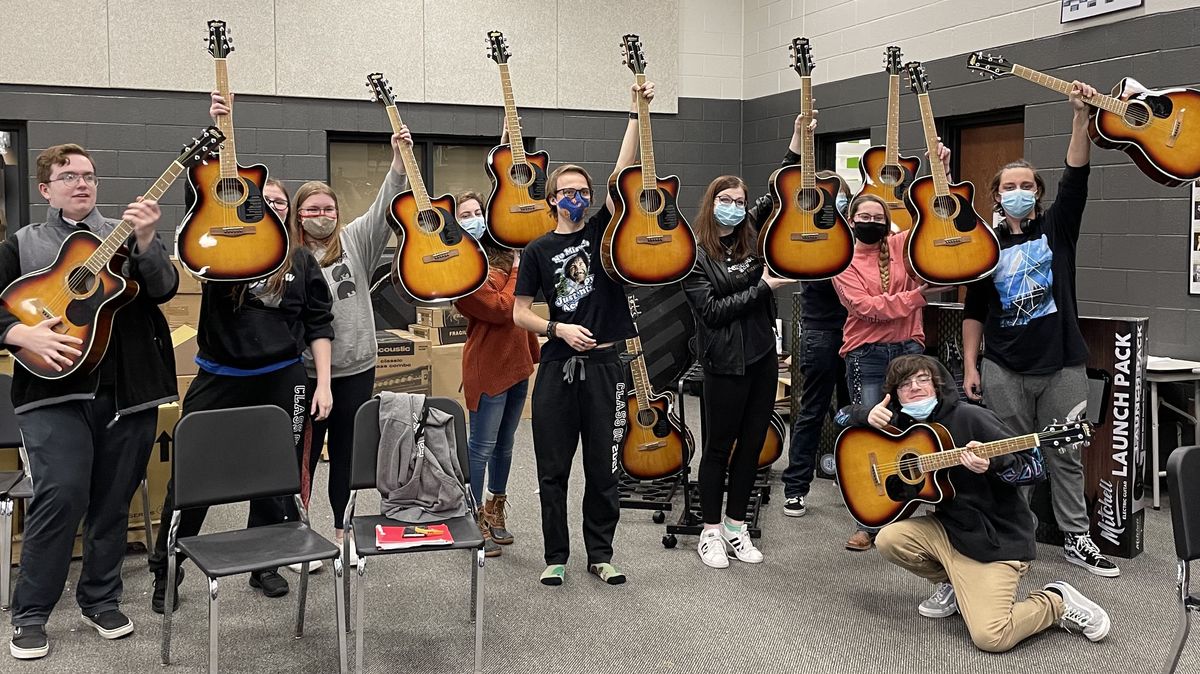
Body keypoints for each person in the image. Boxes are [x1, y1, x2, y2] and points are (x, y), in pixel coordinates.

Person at [148, 98, 335, 614]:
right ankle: (168, 573)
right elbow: (202, 192)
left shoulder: (301, 261)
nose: (271, 207)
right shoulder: (221, 251)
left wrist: (322, 383)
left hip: (284, 379)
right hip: (220, 377)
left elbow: (319, 324)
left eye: (279, 203)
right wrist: (218, 128)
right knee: (196, 477)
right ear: (244, 205)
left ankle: (266, 564)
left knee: (275, 477)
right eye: (262, 201)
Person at [3, 144, 179, 659]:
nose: (81, 183)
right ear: (45, 189)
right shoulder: (24, 245)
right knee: (61, 494)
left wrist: (147, 240)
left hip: (129, 392)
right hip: (52, 392)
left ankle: (101, 598)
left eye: (89, 176)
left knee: (112, 500)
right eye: (68, 176)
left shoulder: (124, 236)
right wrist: (19, 335)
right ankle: (32, 611)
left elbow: (164, 288)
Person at [841, 354, 1111, 652]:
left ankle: (1056, 601)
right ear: (896, 394)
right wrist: (862, 415)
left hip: (996, 538)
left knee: (991, 637)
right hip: (953, 530)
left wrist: (995, 463)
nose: (915, 388)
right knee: (889, 539)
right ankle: (955, 586)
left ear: (938, 384)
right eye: (905, 384)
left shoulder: (971, 417)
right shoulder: (903, 424)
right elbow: (840, 416)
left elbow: (1034, 469)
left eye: (922, 380)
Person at [961, 80, 1118, 578]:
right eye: (1010, 187)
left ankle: (1076, 538)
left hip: (1062, 365)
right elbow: (975, 309)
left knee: (1066, 454)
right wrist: (970, 364)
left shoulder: (1058, 229)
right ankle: (1015, 537)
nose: (1019, 193)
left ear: (1039, 194)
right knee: (1013, 460)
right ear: (996, 196)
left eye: (1027, 186)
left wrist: (1079, 117)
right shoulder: (983, 247)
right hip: (1003, 367)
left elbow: (1077, 173)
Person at [511, 80, 656, 587]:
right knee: (552, 468)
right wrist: (559, 328)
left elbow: (622, 173)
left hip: (604, 370)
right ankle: (556, 555)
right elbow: (519, 313)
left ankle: (601, 553)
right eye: (567, 192)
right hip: (556, 368)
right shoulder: (537, 250)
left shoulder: (601, 234)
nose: (576, 197)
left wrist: (636, 112)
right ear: (551, 199)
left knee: (602, 467)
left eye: (583, 191)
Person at [286, 123, 411, 570]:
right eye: (312, 209)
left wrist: (397, 161)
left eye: (328, 208)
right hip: (304, 372)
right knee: (300, 458)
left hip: (355, 368)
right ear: (298, 216)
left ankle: (342, 531)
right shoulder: (287, 255)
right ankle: (301, 535)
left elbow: (383, 206)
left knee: (345, 455)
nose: (322, 215)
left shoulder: (355, 241)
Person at [682, 172, 790, 568]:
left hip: (762, 359)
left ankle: (735, 527)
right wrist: (762, 287)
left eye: (739, 201)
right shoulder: (692, 254)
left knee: (751, 449)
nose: (733, 206)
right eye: (725, 199)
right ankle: (710, 532)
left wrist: (798, 140)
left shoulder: (753, 236)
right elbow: (710, 311)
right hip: (724, 365)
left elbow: (778, 187)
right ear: (711, 203)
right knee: (717, 449)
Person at [832, 190, 943, 550]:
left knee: (917, 428)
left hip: (910, 348)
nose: (870, 223)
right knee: (872, 431)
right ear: (851, 221)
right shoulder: (841, 261)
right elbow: (867, 308)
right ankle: (868, 522)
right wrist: (916, 297)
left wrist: (940, 168)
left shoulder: (900, 245)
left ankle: (912, 512)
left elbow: (936, 221)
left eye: (876, 218)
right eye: (862, 217)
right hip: (867, 354)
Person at [453, 190, 539, 558]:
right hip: (487, 366)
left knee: (506, 444)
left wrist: (511, 271)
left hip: (518, 360)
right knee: (481, 446)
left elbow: (523, 298)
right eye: (465, 214)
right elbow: (503, 308)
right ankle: (472, 516)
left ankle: (495, 506)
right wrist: (518, 269)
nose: (475, 218)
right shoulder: (457, 267)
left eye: (478, 211)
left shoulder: (503, 254)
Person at [781, 167, 851, 518]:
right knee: (812, 410)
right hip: (820, 331)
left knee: (858, 410)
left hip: (859, 332)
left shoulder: (855, 236)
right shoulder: (806, 235)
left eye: (841, 199)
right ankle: (795, 488)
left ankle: (853, 479)